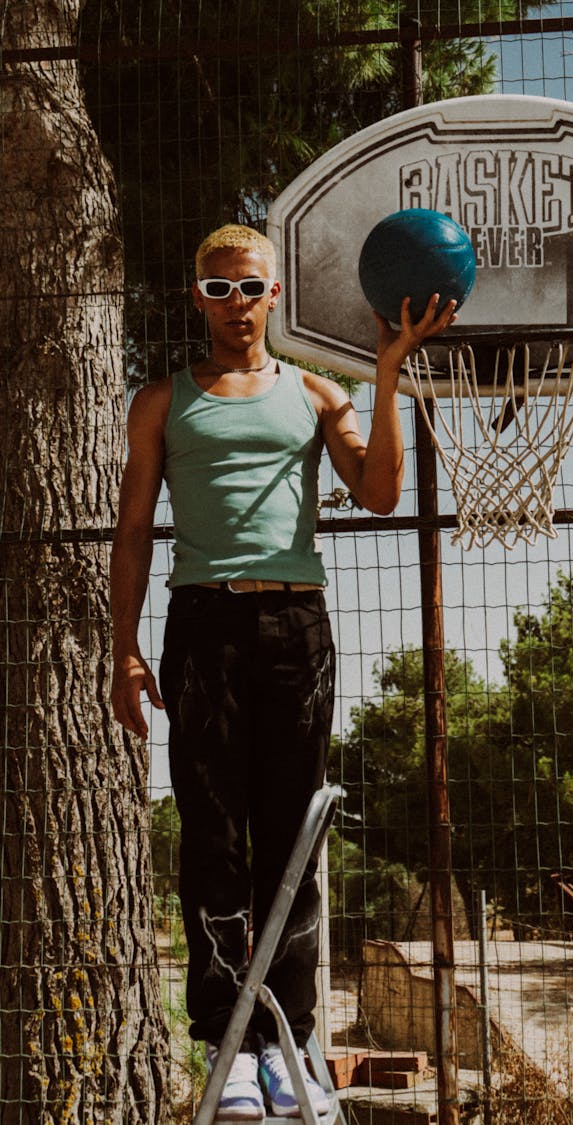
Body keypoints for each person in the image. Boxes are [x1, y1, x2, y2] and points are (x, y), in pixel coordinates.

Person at [110, 223, 457, 1121]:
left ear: (274, 296)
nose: (236, 305)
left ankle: (288, 1042)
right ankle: (228, 1046)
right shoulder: (161, 401)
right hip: (202, 624)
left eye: (250, 287)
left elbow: (380, 491)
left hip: (295, 622)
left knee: (293, 839)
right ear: (199, 297)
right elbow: (135, 531)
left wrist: (382, 377)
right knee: (213, 836)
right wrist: (123, 646)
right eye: (218, 290)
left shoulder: (312, 392)